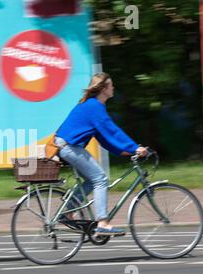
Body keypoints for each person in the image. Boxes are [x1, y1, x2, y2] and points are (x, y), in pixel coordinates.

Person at [54, 72, 148, 235]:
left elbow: (103, 137)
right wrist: (135, 148)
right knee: (100, 179)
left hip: (66, 145)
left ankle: (67, 211)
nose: (113, 88)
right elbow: (112, 131)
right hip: (69, 146)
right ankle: (102, 223)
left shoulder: (93, 105)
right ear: (104, 88)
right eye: (111, 85)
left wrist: (124, 151)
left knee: (92, 181)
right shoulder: (94, 106)